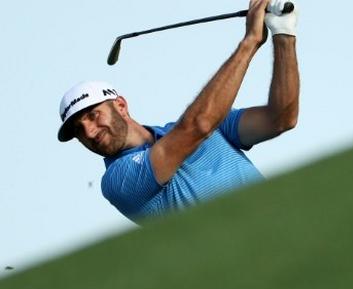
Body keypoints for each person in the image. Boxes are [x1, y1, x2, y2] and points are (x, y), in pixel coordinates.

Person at [57, 0, 299, 223]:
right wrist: (250, 41)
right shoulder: (117, 180)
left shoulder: (211, 125)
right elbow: (197, 127)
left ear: (120, 106)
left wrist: (283, 34)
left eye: (92, 115)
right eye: (78, 130)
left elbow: (281, 118)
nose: (88, 131)